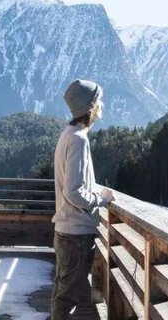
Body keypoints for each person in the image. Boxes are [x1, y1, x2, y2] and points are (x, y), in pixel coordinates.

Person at [51, 79, 115, 319]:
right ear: (90, 107)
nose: (103, 104)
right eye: (99, 100)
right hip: (76, 234)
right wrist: (101, 200)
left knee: (63, 293)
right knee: (69, 298)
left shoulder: (68, 135)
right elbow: (74, 191)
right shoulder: (78, 140)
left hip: (66, 231)